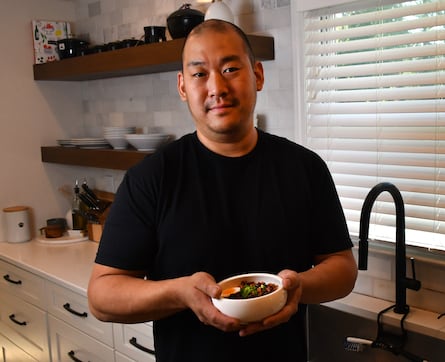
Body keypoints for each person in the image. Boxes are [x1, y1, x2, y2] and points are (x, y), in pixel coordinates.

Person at [87, 19, 358, 361]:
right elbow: (102, 296)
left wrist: (299, 287)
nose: (217, 86)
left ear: (257, 75)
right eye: (200, 74)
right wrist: (180, 292)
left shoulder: (304, 168)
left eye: (230, 68)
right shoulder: (151, 178)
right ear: (183, 87)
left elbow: (342, 267)